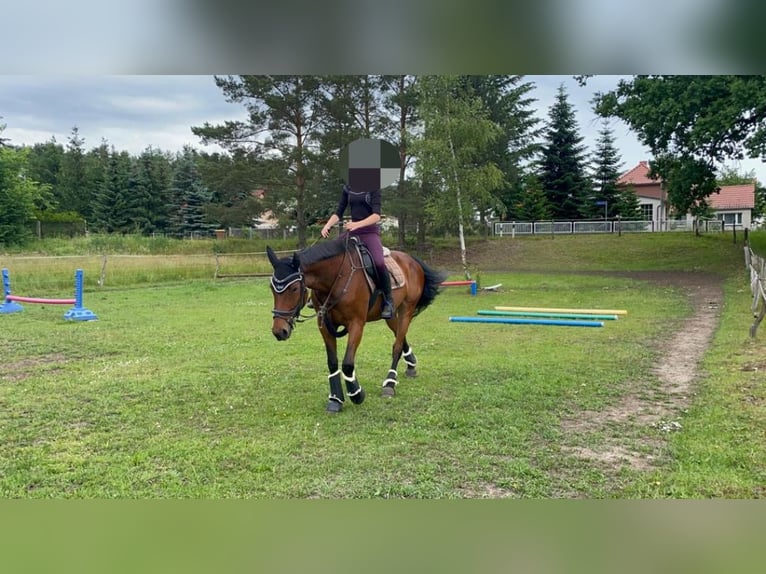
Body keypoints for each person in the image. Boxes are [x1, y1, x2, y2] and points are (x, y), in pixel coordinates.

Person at [321, 182, 394, 319]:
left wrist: (357, 224)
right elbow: (339, 212)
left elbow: (376, 215)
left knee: (378, 263)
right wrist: (328, 225)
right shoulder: (348, 188)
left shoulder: (374, 187)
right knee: (330, 255)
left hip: (369, 232)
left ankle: (388, 301)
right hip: (352, 232)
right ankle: (323, 294)